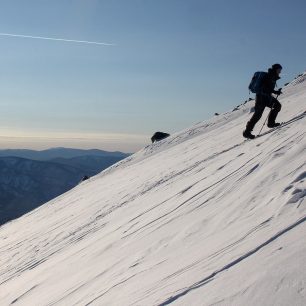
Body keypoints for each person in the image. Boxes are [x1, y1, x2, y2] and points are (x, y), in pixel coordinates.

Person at [243, 64, 283, 139]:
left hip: (265, 97)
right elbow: (265, 88)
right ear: (275, 69)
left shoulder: (272, 76)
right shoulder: (269, 76)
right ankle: (247, 132)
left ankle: (271, 123)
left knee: (277, 106)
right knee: (258, 115)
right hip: (261, 97)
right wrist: (275, 92)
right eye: (279, 70)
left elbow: (267, 88)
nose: (280, 72)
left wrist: (274, 91)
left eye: (280, 70)